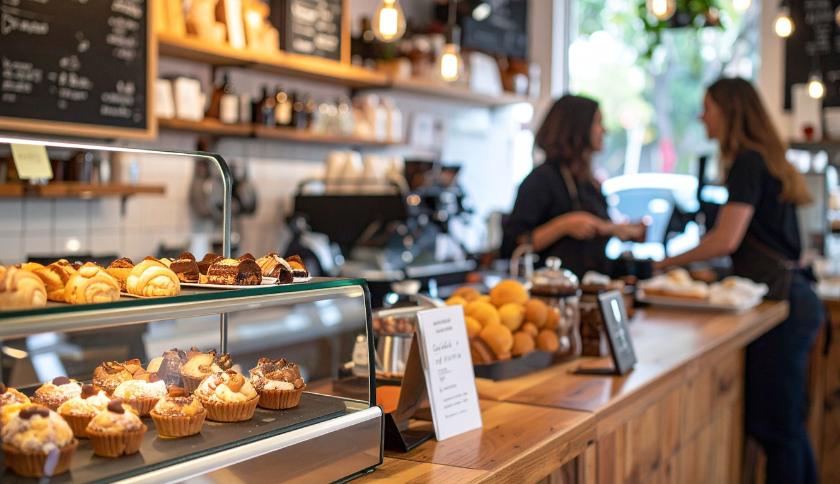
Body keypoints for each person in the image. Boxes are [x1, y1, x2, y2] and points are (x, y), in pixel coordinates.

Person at [655, 78, 823, 484]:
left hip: (784, 305)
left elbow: (725, 239)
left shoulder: (747, 161)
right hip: (797, 298)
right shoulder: (766, 157)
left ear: (729, 111)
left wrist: (663, 264)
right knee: (786, 430)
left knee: (776, 431)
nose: (701, 115)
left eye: (707, 107)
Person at [502, 95, 644, 277]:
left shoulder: (588, 183)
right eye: (598, 122)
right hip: (553, 295)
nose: (604, 130)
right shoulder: (541, 180)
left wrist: (617, 229)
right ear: (578, 128)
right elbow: (511, 246)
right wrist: (563, 225)